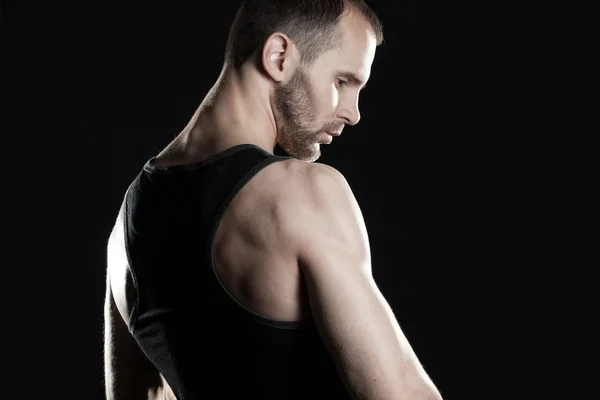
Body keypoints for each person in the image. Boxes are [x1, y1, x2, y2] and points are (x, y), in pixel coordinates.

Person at [104, 1, 443, 399]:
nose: (353, 113)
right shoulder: (301, 194)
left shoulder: (126, 227)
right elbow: (398, 393)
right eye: (342, 82)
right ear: (279, 56)